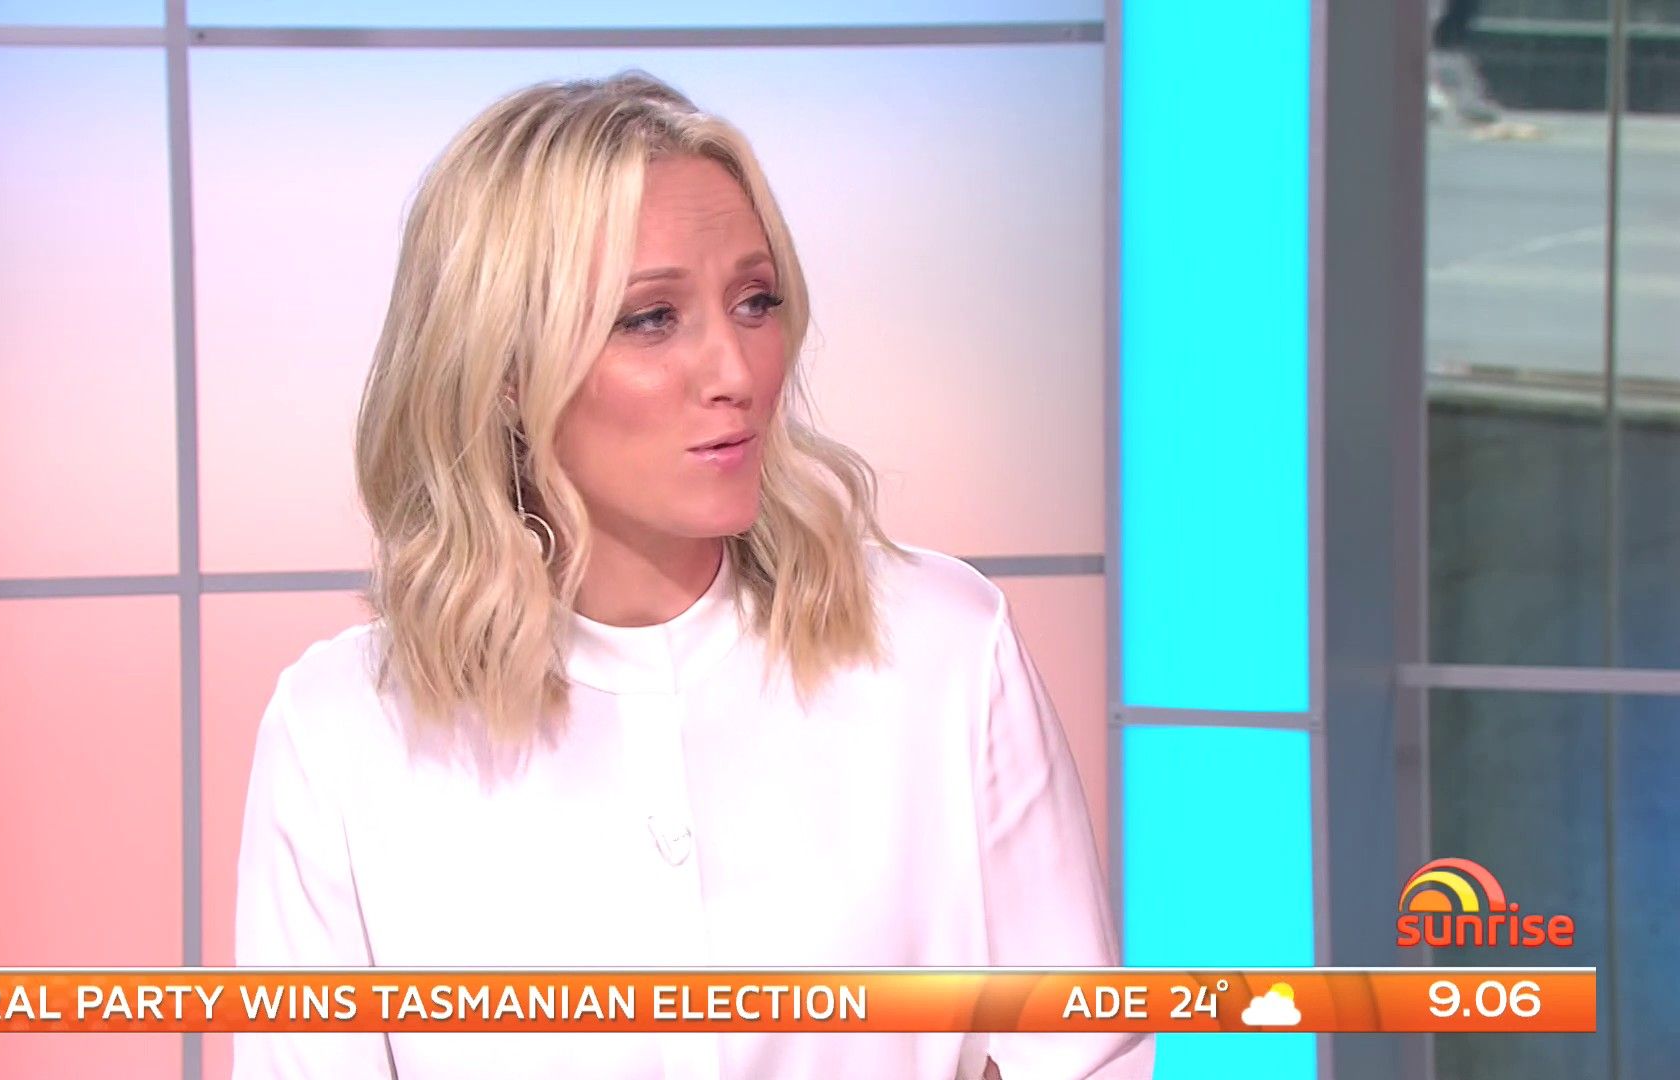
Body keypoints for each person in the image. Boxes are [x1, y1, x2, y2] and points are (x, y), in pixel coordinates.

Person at [233, 70, 1152, 1080]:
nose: (736, 371)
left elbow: (1088, 1056)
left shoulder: (942, 648)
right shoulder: (341, 731)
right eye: (651, 318)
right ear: (503, 369)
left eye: (756, 302)